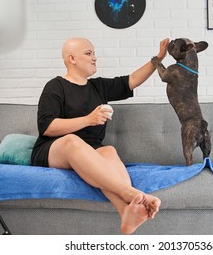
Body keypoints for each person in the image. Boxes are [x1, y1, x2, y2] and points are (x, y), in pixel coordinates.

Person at [31, 37, 170, 234]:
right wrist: (88, 119)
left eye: (94, 53)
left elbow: (132, 80)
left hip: (90, 150)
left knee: (109, 151)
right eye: (88, 53)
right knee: (73, 141)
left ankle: (126, 213)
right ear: (71, 58)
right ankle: (132, 194)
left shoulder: (98, 87)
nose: (95, 58)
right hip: (54, 148)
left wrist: (158, 58)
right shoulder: (55, 86)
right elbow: (47, 127)